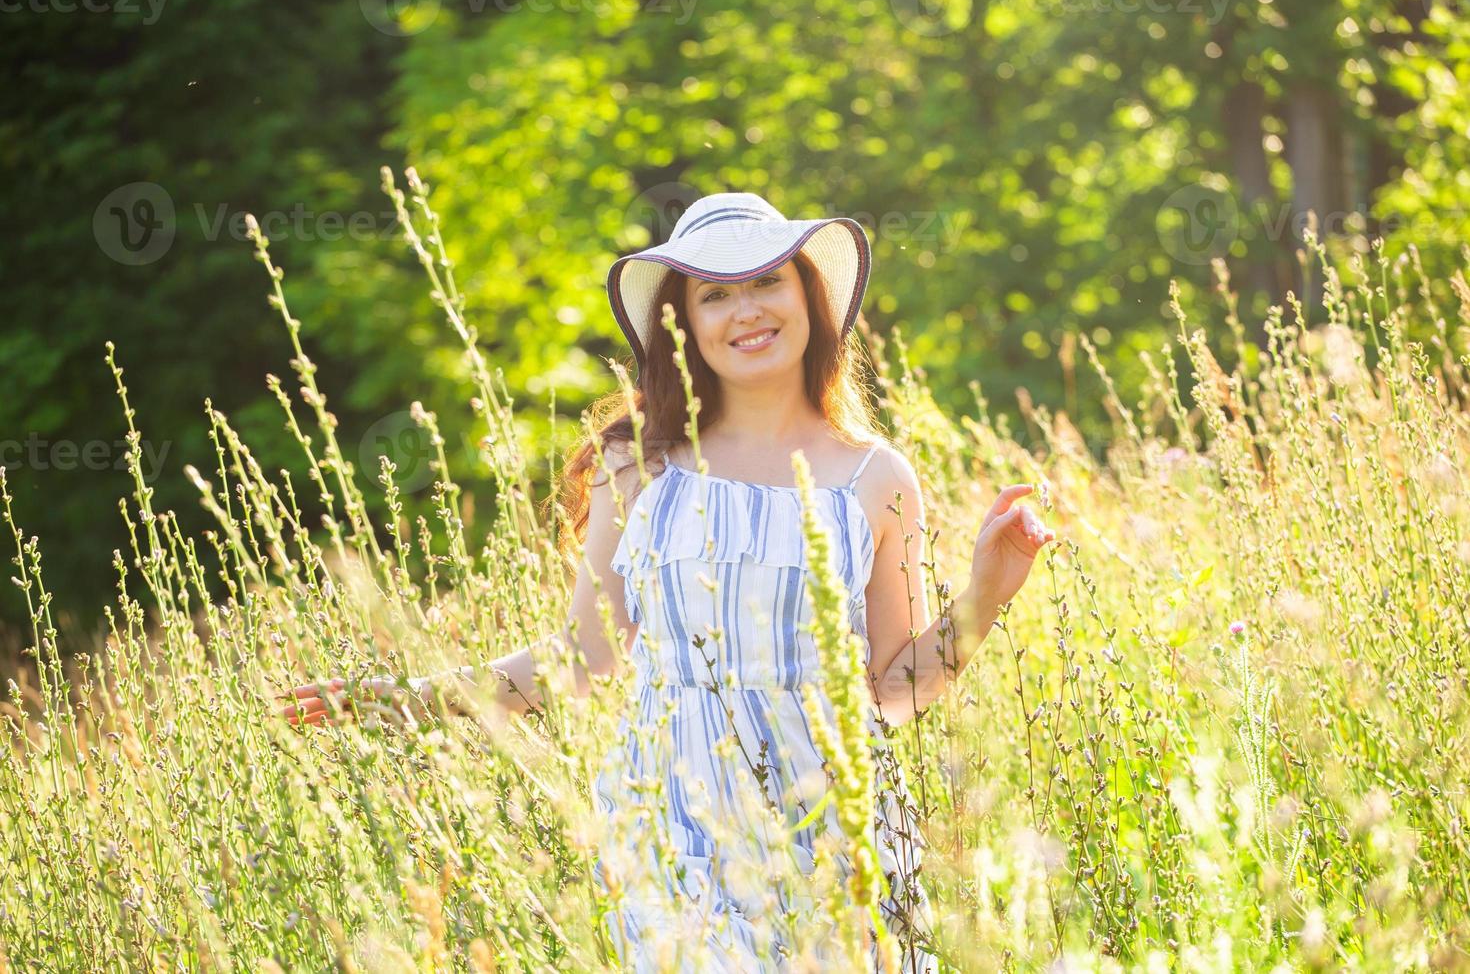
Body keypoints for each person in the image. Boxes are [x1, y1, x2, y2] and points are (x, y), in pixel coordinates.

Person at [282, 192, 1055, 970]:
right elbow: (584, 658)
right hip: (675, 829)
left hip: (836, 832)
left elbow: (895, 691)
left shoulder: (874, 475)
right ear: (683, 325)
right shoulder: (643, 468)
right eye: (715, 295)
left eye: (766, 283)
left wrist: (987, 592)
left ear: (807, 299)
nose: (746, 310)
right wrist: (414, 697)